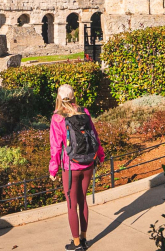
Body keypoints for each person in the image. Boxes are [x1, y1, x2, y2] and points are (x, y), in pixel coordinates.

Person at [49, 84, 105, 251]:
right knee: (83, 201)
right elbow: (94, 135)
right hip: (88, 163)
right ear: (73, 97)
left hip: (70, 166)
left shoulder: (57, 117)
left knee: (72, 204)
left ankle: (76, 244)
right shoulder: (84, 111)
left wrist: (53, 169)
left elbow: (55, 147)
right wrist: (100, 155)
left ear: (59, 98)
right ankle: (84, 238)